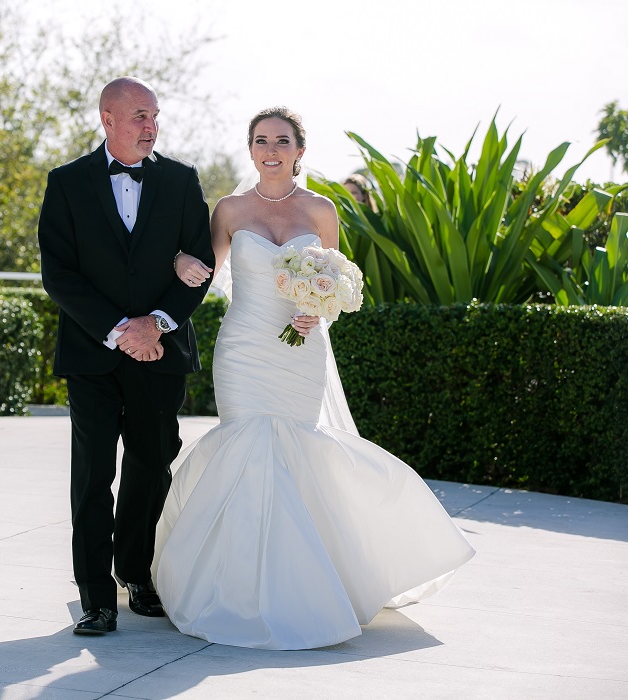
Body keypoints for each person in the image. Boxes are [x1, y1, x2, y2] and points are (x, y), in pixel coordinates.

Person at [155, 107, 475, 650]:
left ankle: (304, 584)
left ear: (300, 150)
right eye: (261, 141)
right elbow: (205, 270)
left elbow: (339, 280)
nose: (271, 150)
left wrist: (318, 310)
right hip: (245, 348)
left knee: (297, 452)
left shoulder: (321, 209)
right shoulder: (229, 209)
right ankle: (233, 586)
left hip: (300, 348)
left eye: (282, 141)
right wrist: (181, 260)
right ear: (250, 149)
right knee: (247, 447)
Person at [37, 77, 215, 636]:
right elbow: (58, 273)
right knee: (92, 476)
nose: (150, 126)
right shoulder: (65, 183)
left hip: (161, 352)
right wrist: (119, 329)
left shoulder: (183, 181)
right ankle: (96, 598)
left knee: (150, 464)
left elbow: (200, 262)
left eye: (155, 116)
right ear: (107, 119)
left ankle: (137, 575)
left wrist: (156, 324)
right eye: (139, 115)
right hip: (93, 354)